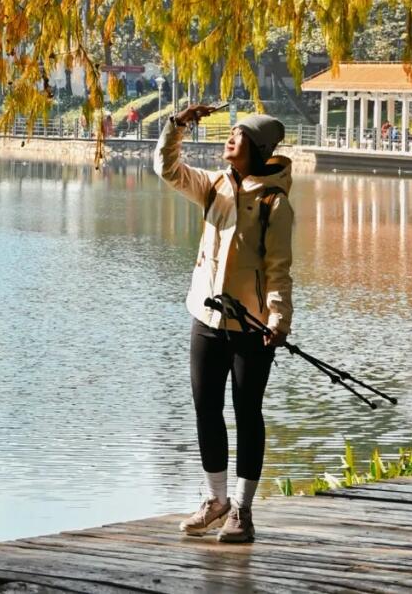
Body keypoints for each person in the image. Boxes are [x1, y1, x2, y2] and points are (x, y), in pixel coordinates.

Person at [154, 102, 294, 545]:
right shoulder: (216, 186)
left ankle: (243, 511)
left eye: (237, 136)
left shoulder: (274, 202)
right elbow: (167, 169)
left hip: (252, 328)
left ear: (255, 149)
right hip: (206, 317)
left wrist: (278, 320)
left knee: (247, 413)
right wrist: (177, 126)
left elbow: (278, 269)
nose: (228, 140)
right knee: (205, 408)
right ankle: (216, 502)